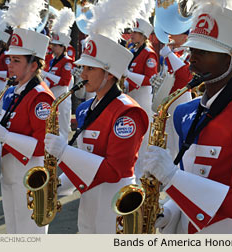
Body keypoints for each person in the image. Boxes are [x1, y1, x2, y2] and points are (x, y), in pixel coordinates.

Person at [143, 1, 232, 234]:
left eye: (203, 52)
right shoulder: (184, 112)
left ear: (230, 58)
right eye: (191, 50)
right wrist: (168, 212)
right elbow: (192, 180)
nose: (191, 59)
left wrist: (172, 177)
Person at [44, 33, 149, 233]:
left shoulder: (128, 113)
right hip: (88, 198)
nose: (82, 74)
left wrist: (65, 152)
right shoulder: (85, 108)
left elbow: (115, 170)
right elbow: (86, 160)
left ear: (109, 73)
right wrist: (57, 186)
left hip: (115, 202)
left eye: (90, 68)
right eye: (83, 68)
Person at [0, 27, 54, 234]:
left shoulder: (41, 96)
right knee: (13, 231)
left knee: (30, 233)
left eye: (16, 61)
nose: (10, 66)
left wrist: (5, 136)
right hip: (9, 171)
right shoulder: (11, 91)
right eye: (9, 59)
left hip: (29, 172)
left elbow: (42, 145)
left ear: (34, 65)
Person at [123, 17, 158, 180]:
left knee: (143, 138)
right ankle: (132, 170)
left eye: (136, 33)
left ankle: (141, 172)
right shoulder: (133, 51)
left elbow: (150, 79)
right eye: (133, 32)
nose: (132, 35)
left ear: (144, 35)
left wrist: (128, 75)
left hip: (143, 96)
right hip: (132, 95)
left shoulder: (149, 54)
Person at [154, 29, 193, 160]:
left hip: (180, 97)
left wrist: (169, 55)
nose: (170, 35)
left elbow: (186, 76)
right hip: (167, 97)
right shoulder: (173, 52)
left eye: (174, 32)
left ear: (184, 36)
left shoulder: (190, 52)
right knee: (167, 137)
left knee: (178, 137)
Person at [42, 7, 75, 141]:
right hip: (53, 93)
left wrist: (47, 74)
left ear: (62, 47)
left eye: (56, 45)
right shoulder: (53, 59)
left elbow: (64, 81)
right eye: (53, 45)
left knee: (62, 125)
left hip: (61, 94)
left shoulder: (67, 61)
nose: (53, 47)